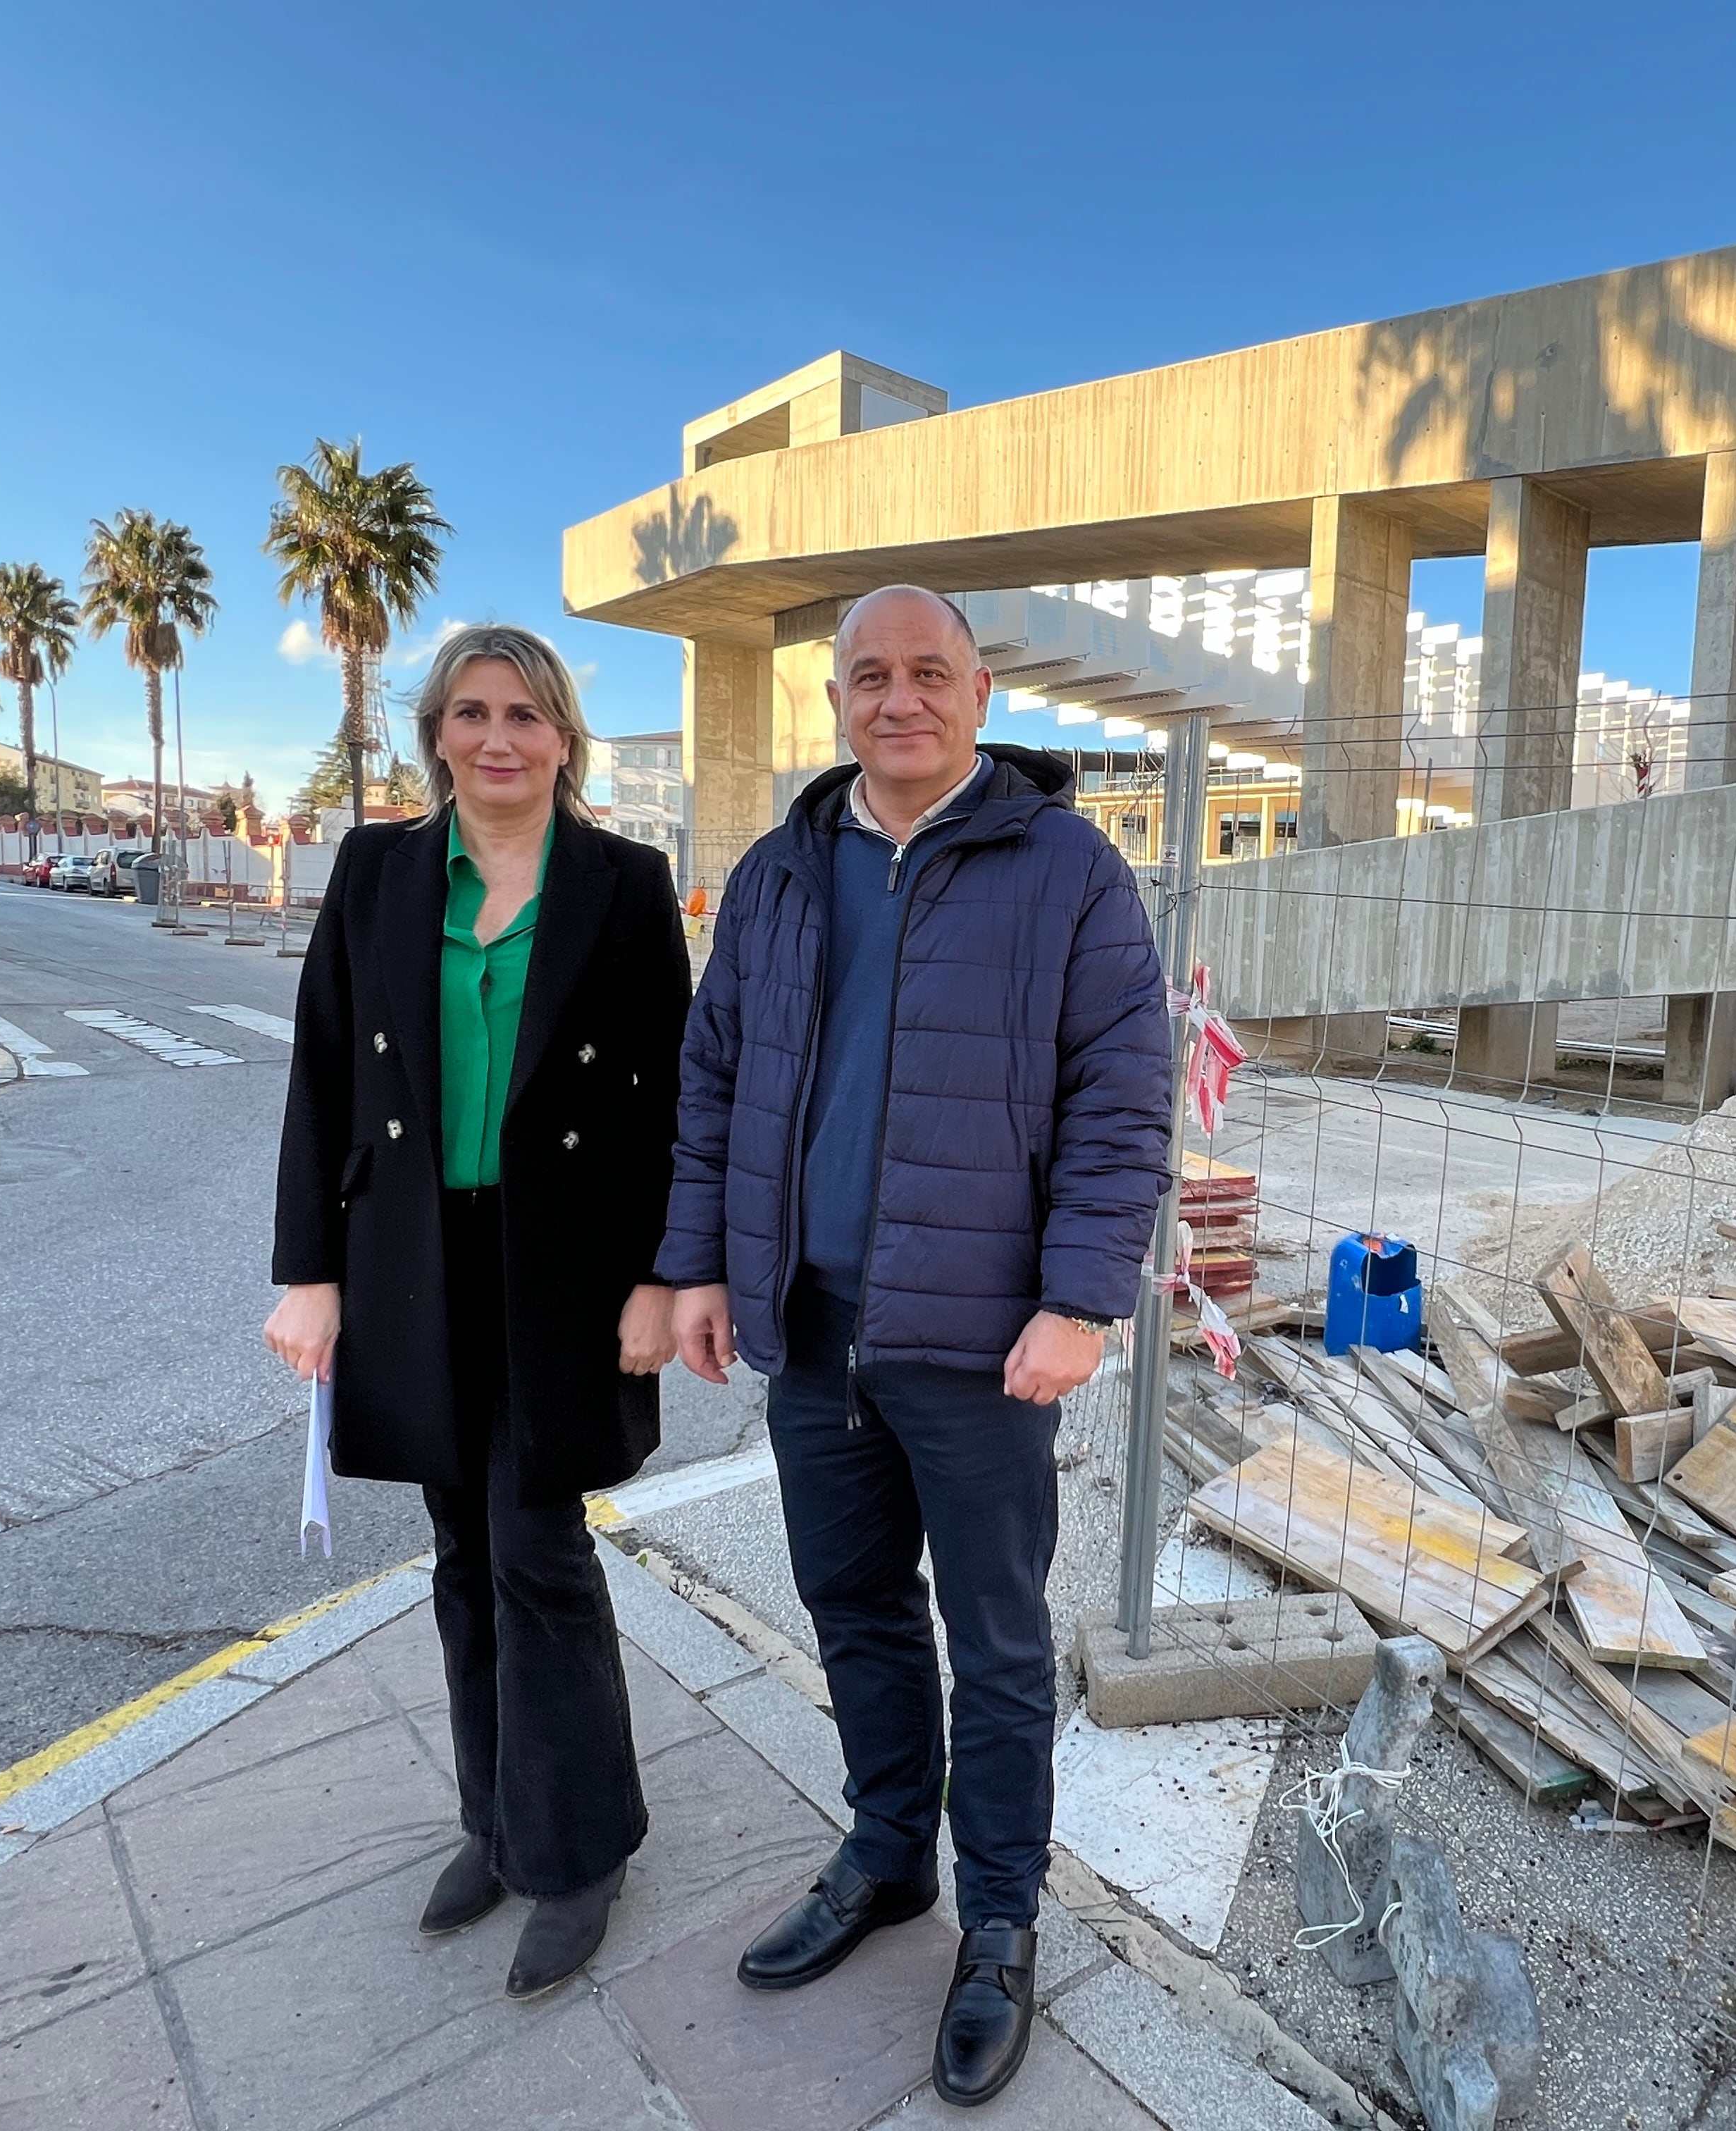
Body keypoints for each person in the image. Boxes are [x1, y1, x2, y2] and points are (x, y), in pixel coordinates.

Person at [661, 585, 1170, 2107]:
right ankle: (888, 1855)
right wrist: (694, 1265)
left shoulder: (1070, 875)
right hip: (813, 1334)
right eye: (870, 676)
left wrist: (1081, 1301)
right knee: (852, 1602)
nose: (900, 700)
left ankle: (1000, 1918)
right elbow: (714, 1085)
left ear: (980, 693)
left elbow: (1122, 1097)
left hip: (982, 1346)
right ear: (835, 699)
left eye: (928, 673)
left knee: (1000, 1642)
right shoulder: (779, 874)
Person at [264, 623, 691, 2001]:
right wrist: (307, 1270)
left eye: (524, 715)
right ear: (435, 732)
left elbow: (667, 1108)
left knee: (536, 1549)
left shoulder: (626, 886)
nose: (496, 738)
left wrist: (660, 1278)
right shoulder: (379, 868)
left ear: (564, 738)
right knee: (461, 1553)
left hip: (562, 1266)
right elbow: (323, 1071)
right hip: (411, 1259)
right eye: (470, 713)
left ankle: (580, 1851)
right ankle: (496, 1824)